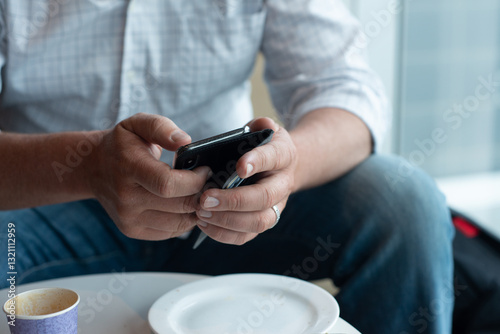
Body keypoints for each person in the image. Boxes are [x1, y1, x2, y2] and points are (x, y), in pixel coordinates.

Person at [0, 1, 454, 332]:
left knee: (403, 204)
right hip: (48, 203)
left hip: (224, 200)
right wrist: (87, 168)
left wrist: (288, 169)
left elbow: (346, 90)